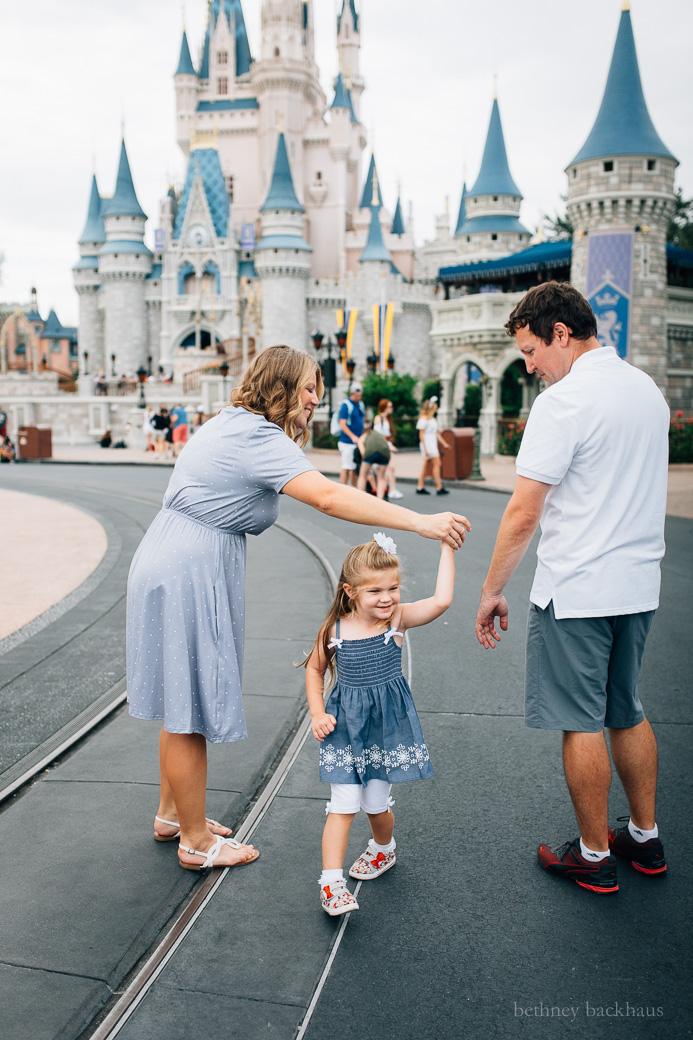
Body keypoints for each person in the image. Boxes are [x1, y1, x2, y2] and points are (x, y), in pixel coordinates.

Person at [127, 345, 470, 873]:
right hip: (191, 566)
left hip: (175, 554)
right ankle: (194, 841)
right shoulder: (258, 436)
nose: (315, 400)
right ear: (281, 387)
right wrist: (419, 522)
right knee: (190, 707)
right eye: (309, 388)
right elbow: (329, 498)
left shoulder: (233, 423)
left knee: (181, 695)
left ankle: (173, 815)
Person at [475, 281, 669, 895]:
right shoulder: (646, 391)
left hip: (580, 587)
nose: (528, 366)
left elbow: (523, 513)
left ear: (562, 333)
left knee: (580, 720)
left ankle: (591, 854)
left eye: (531, 351)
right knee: (627, 709)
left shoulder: (563, 404)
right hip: (639, 583)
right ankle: (644, 838)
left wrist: (491, 590)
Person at [304, 533, 456, 916]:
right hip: (344, 729)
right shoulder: (334, 631)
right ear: (350, 592)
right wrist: (318, 712)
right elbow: (314, 669)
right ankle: (331, 883)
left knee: (374, 804)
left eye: (393, 588)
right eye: (375, 591)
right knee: (342, 804)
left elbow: (441, 601)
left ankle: (382, 849)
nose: (387, 598)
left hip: (385, 729)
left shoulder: (398, 621)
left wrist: (446, 549)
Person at [416, 397, 450, 495]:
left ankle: (420, 486)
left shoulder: (432, 419)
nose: (436, 406)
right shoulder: (423, 420)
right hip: (427, 444)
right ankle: (439, 487)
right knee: (437, 464)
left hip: (432, 443)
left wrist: (444, 443)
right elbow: (421, 435)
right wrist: (425, 448)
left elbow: (436, 433)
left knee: (426, 466)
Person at [373, 398, 402, 499]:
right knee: (383, 470)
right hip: (383, 446)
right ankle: (385, 491)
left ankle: (391, 490)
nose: (392, 409)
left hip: (388, 444)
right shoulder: (378, 418)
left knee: (391, 468)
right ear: (384, 407)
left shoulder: (387, 419)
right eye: (390, 406)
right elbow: (378, 435)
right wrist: (388, 445)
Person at [338, 383, 365, 486]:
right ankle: (343, 488)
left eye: (360, 395)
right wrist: (352, 436)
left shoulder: (361, 404)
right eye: (357, 395)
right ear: (351, 394)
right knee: (346, 467)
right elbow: (343, 424)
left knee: (354, 467)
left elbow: (361, 420)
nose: (359, 397)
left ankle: (354, 489)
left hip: (357, 441)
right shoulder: (346, 405)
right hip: (347, 442)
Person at [357, 421, 390, 499]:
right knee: (381, 477)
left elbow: (362, 451)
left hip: (370, 452)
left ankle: (359, 498)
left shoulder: (364, 435)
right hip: (385, 453)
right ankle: (380, 499)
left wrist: (365, 460)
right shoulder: (379, 435)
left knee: (363, 476)